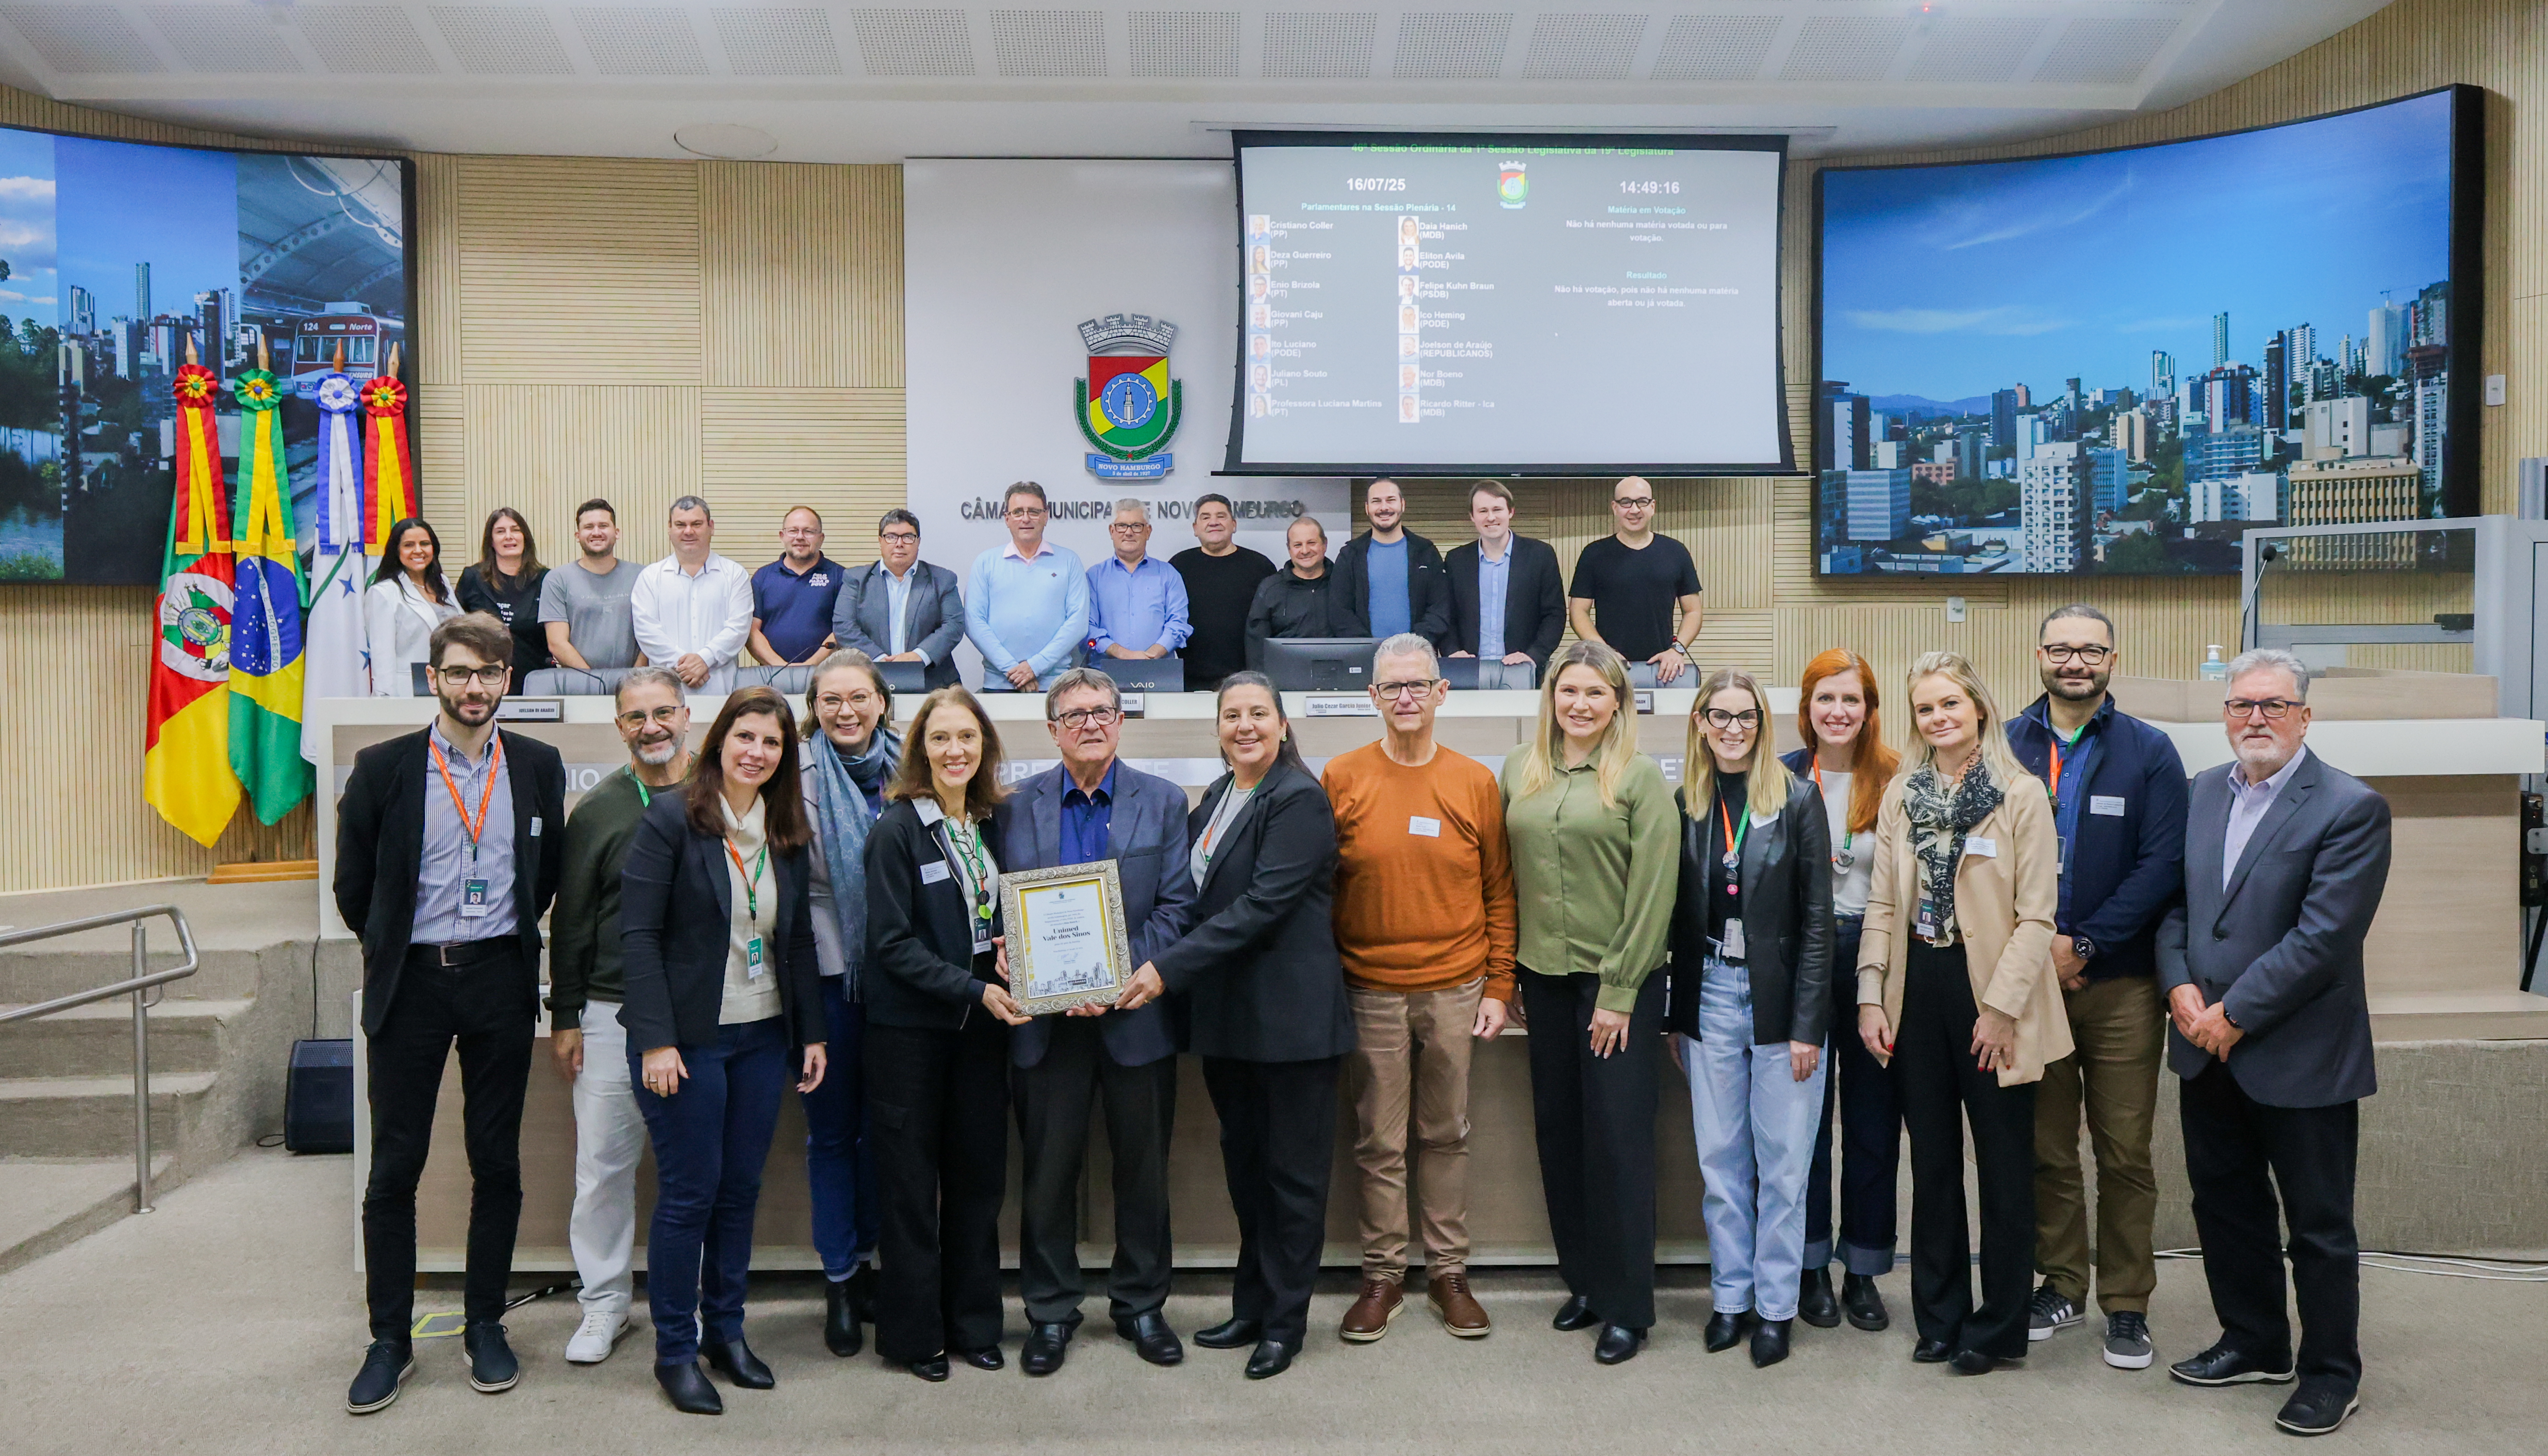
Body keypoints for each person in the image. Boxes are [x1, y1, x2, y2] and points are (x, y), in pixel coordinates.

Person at [334, 613, 566, 1414]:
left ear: (507, 680)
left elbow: (546, 877)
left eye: (490, 674)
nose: (476, 687)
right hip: (414, 985)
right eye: (461, 672)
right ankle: (389, 1340)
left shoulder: (539, 766)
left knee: (496, 1161)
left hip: (500, 976)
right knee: (395, 1166)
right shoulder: (383, 769)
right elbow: (355, 891)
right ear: (434, 677)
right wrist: (406, 949)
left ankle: (484, 1323)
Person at [2158, 649, 2389, 1438]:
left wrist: (2234, 1014)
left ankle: (2332, 1372)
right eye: (2241, 705)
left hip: (2301, 1053)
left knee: (2318, 1228)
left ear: (2304, 716)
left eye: (2274, 705)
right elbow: (2177, 909)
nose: (2256, 718)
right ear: (2225, 715)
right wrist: (2179, 988)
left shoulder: (2351, 807)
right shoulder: (2197, 797)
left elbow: (2322, 940)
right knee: (2226, 1207)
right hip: (2202, 1043)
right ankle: (2255, 1341)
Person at [1124, 672, 1350, 1380]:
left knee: (1292, 1180)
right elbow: (1185, 899)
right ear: (1217, 727)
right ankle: (1252, 1305)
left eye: (1257, 714)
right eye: (1231, 715)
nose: (1243, 726)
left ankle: (1285, 1323)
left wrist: (1160, 971)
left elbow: (1259, 907)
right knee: (1247, 1172)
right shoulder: (1219, 797)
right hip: (1229, 1024)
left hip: (1292, 1027)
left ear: (1282, 725)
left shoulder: (1299, 799)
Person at [1856, 651, 2068, 1376]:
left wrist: (2001, 1009)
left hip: (1994, 996)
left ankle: (1999, 1326)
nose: (1938, 718)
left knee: (2006, 1169)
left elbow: (2038, 918)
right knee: (1935, 1165)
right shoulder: (1901, 794)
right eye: (1924, 709)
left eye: (1950, 704)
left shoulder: (2018, 793)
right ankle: (1940, 1319)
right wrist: (1870, 994)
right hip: (1919, 991)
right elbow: (1882, 904)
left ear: (1978, 706)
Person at [619, 685, 829, 1415]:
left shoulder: (784, 824)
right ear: (719, 741)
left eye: (772, 743)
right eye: (745, 737)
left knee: (739, 1193)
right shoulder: (674, 819)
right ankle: (675, 1350)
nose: (757, 752)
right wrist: (655, 1040)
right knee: (688, 1197)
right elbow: (637, 937)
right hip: (686, 1044)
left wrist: (811, 1034)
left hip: (763, 1035)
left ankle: (727, 1334)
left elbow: (795, 936)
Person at [995, 668, 1198, 1376]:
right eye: (1074, 714)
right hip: (1046, 1026)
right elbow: (998, 911)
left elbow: (1176, 909)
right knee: (1047, 1173)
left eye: (1102, 711)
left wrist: (1109, 979)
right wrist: (1010, 954)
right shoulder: (1010, 807)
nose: (1090, 723)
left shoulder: (1165, 802)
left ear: (1120, 721)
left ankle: (1142, 1304)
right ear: (1050, 730)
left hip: (1134, 1016)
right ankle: (1049, 1312)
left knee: (1142, 1171)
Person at [2005, 605, 2189, 1369]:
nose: (2074, 661)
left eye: (2090, 650)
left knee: (2122, 1152)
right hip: (2028, 984)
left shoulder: (2149, 750)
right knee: (2045, 1149)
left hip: (2118, 986)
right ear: (2039, 656)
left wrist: (2081, 944)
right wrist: (2034, 952)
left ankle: (2124, 1302)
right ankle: (2058, 1283)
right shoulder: (2005, 743)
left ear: (2112, 659)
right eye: (2061, 648)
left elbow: (2161, 864)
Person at [1323, 633, 1515, 1344]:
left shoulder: (1473, 781)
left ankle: (1446, 1273)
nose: (1405, 698)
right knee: (1377, 1140)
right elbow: (1322, 890)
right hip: (1367, 988)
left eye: (1417, 685)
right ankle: (1381, 1275)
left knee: (1445, 1133)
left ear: (1442, 693)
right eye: (1391, 687)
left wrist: (1498, 984)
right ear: (1371, 698)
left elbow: (1499, 888)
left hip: (1455, 987)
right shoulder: (1340, 777)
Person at [1498, 642, 1676, 1364]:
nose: (1578, 704)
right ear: (1550, 697)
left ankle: (1629, 1305)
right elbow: (1506, 877)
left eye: (1594, 694)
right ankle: (1587, 1283)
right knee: (1560, 1134)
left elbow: (1653, 895)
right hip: (1541, 979)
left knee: (1619, 1144)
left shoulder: (1638, 781)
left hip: (1618, 988)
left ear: (1617, 704)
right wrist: (1506, 972)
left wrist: (1620, 993)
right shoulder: (1519, 772)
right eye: (1567, 691)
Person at [1669, 667, 1833, 1369]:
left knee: (1786, 1166)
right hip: (1708, 992)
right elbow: (1674, 918)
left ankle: (1774, 1309)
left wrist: (1806, 1026)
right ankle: (1729, 1299)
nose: (1732, 729)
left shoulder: (1797, 800)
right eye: (1719, 716)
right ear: (1700, 723)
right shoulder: (1684, 802)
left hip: (1778, 1000)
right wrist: (1677, 1016)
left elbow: (1819, 923)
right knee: (1720, 1162)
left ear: (1764, 727)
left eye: (1745, 717)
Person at [863, 686, 1028, 1380]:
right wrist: (974, 988)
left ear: (985, 747)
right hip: (911, 1034)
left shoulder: (991, 825)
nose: (954, 751)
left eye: (967, 738)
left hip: (981, 1034)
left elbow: (999, 914)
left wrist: (1013, 955)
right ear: (919, 750)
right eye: (939, 739)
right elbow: (891, 945)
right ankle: (915, 1337)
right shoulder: (896, 830)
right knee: (909, 1189)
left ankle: (974, 1324)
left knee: (977, 1183)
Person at [546, 666, 692, 1368]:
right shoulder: (600, 809)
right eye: (636, 718)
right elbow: (571, 918)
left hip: (704, 1013)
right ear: (619, 727)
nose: (652, 727)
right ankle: (604, 1304)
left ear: (686, 714)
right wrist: (565, 1013)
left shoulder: (723, 797)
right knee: (603, 1168)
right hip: (611, 1013)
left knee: (695, 1171)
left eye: (663, 712)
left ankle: (687, 1306)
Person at [1784, 648, 1904, 1335]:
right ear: (1807, 708)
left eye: (1850, 700)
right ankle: (1809, 1266)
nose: (1837, 712)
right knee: (1802, 1123)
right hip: (1801, 957)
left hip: (1873, 957)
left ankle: (1862, 1268)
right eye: (1825, 699)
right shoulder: (1778, 778)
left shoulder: (1894, 780)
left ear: (1868, 708)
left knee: (1870, 1120)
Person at [797, 651, 900, 1357]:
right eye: (830, 699)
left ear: (882, 703)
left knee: (884, 1134)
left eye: (858, 697)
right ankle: (840, 1278)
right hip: (828, 980)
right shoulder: (794, 774)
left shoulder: (911, 767)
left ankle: (873, 1266)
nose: (845, 711)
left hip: (902, 978)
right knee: (833, 1136)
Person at [1566, 477, 1703, 685]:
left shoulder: (1676, 552)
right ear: (1615, 507)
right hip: (1608, 668)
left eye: (1642, 502)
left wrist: (1678, 650)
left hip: (1663, 670)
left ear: (1653, 506)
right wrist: (1605, 653)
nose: (1634, 509)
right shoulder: (1594, 554)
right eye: (1626, 502)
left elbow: (1693, 611)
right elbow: (1578, 612)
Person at [966, 481, 1090, 693]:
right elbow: (974, 622)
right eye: (1018, 512)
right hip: (1000, 683)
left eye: (1034, 511)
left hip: (1056, 684)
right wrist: (1014, 670)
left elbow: (1077, 624)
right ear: (1007, 518)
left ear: (1045, 516)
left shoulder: (1069, 561)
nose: (1025, 519)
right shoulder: (985, 562)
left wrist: (1035, 667)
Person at [630, 496, 754, 694]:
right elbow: (647, 632)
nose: (689, 531)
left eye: (696, 524)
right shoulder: (650, 577)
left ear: (711, 527)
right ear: (669, 528)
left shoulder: (734, 574)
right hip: (665, 690)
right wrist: (687, 667)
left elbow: (739, 628)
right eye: (681, 525)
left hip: (721, 689)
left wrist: (705, 659)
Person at [1444, 480, 1564, 682]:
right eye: (1483, 511)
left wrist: (1534, 656)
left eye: (1497, 509)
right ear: (1472, 517)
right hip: (1468, 670)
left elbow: (1555, 614)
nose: (1491, 517)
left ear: (1511, 512)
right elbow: (1446, 614)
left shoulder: (1540, 555)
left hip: (1524, 669)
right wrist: (1452, 652)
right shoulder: (1456, 560)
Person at [833, 509, 965, 691]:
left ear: (918, 542)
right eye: (891, 537)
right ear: (880, 541)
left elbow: (954, 625)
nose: (899, 544)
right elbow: (844, 626)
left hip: (934, 683)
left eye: (908, 537)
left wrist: (918, 656)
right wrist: (880, 661)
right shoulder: (855, 579)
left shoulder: (942, 579)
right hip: (868, 681)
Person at [1170, 494, 1276, 691]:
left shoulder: (1261, 566)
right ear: (1195, 528)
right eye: (1206, 517)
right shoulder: (1178, 566)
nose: (1214, 522)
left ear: (1234, 525)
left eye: (1221, 516)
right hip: (1189, 679)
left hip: (1248, 679)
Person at [1331, 479, 1449, 645]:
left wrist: (1412, 644)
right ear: (1367, 508)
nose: (1384, 508)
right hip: (1366, 658)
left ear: (1402, 505)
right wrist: (1367, 647)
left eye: (1391, 500)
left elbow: (1439, 608)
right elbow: (1340, 612)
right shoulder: (1350, 555)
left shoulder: (1426, 552)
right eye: (1376, 501)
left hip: (1417, 656)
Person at [1244, 516, 1364, 669]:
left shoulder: (1346, 582)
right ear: (1289, 549)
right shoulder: (1271, 588)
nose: (1305, 551)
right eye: (1298, 545)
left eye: (1312, 543)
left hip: (1340, 679)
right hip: (1285, 681)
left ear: (1325, 544)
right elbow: (1256, 648)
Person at [541, 498, 644, 673]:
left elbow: (651, 636)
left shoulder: (642, 576)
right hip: (579, 683)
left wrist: (634, 679)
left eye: (603, 526)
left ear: (617, 532)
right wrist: (593, 682)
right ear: (577, 535)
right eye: (589, 527)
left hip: (635, 685)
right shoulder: (557, 580)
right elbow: (557, 643)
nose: (597, 532)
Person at [1086, 499, 1191, 665]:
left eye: (1136, 526)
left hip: (1158, 671)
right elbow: (1087, 627)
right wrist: (1123, 654)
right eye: (1122, 526)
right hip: (1105, 675)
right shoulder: (1094, 576)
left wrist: (1151, 655)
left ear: (1148, 531)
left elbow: (1178, 623)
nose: (1128, 532)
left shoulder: (1169, 574)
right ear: (1112, 531)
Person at [363, 517, 460, 697]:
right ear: (396, 551)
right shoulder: (383, 593)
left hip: (450, 689)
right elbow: (382, 659)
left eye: (425, 544)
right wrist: (388, 704)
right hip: (408, 693)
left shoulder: (442, 584)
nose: (418, 550)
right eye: (409, 545)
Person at [456, 507, 551, 683]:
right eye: (500, 532)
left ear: (525, 538)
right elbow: (458, 632)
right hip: (484, 680)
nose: (509, 536)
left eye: (516, 530)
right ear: (491, 541)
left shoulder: (546, 580)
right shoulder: (473, 578)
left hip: (535, 679)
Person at [748, 507, 845, 667]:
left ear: (821, 538)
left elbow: (844, 629)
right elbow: (752, 632)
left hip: (825, 675)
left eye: (809, 531)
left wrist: (810, 666)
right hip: (773, 674)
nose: (800, 537)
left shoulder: (840, 576)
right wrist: (780, 667)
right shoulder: (762, 577)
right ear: (782, 536)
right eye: (793, 531)